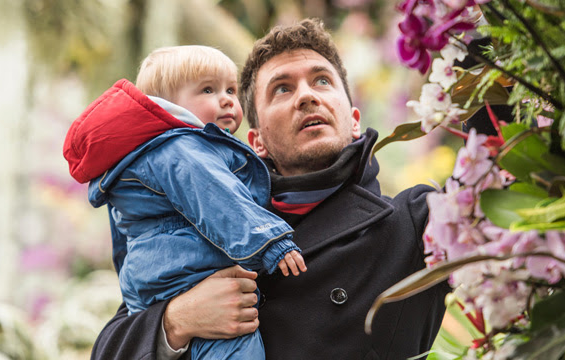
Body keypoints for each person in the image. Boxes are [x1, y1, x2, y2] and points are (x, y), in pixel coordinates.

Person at [89, 19, 450, 360]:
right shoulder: (200, 221)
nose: (307, 97)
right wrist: (177, 321)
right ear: (255, 141)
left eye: (322, 81)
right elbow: (108, 347)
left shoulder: (415, 220)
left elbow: (501, 179)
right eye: (282, 88)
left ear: (355, 120)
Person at [63, 45, 307, 359]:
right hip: (189, 274)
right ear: (164, 106)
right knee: (237, 346)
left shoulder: (149, 155)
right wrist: (271, 241)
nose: (227, 99)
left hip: (164, 279)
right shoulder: (182, 148)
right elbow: (219, 200)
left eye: (231, 89)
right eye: (208, 89)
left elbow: (126, 237)